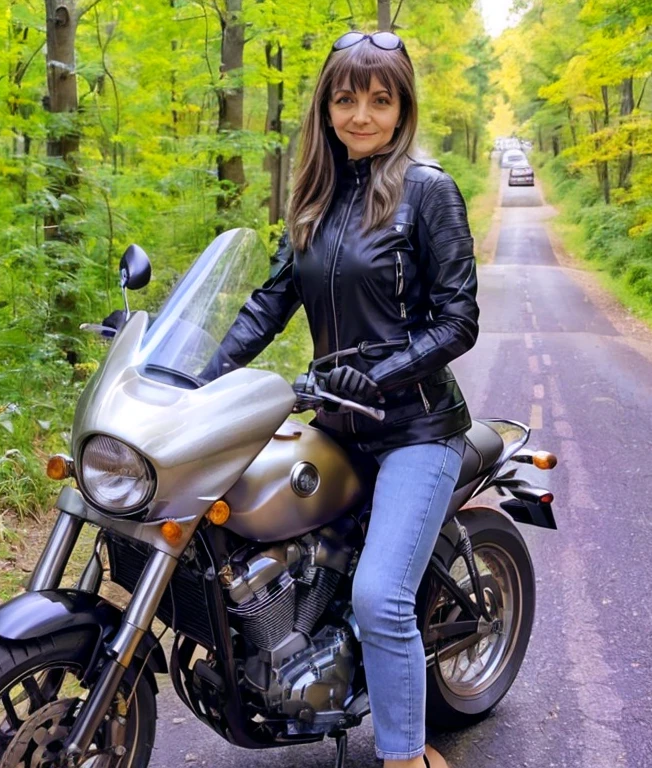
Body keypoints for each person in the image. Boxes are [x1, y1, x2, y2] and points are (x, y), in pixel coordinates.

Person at [204, 31, 479, 768]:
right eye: (346, 97)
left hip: (414, 426)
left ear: (401, 107)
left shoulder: (429, 191)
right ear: (325, 106)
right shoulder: (316, 196)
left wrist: (382, 375)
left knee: (381, 597)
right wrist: (197, 376)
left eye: (379, 99)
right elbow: (269, 304)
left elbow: (460, 321)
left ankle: (404, 755)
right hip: (335, 420)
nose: (361, 113)